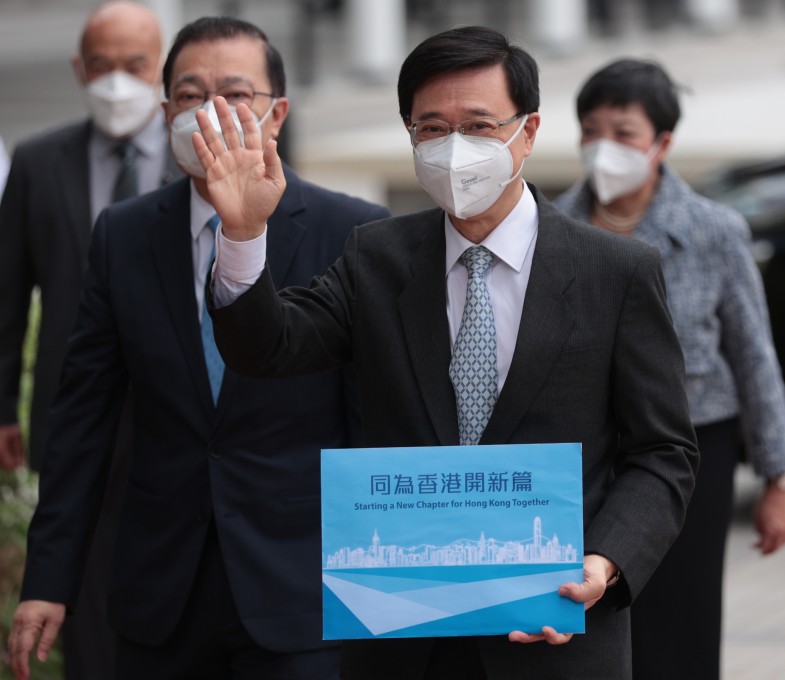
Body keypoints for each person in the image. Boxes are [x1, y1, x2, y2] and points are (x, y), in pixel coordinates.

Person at [200, 25, 699, 679]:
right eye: (431, 129)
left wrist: (604, 560)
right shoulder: (376, 257)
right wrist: (242, 234)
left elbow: (663, 452)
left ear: (528, 131)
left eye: (479, 126)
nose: (454, 148)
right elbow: (268, 347)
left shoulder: (616, 272)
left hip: (554, 634)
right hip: (405, 636)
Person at [6, 16, 388, 680]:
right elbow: (83, 420)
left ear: (277, 113)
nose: (211, 112)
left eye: (235, 94)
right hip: (162, 591)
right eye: (190, 95)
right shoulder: (123, 235)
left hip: (303, 588)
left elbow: (373, 421)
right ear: (165, 114)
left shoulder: (351, 231)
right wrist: (48, 579)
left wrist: (379, 581)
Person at [554, 58, 785, 680]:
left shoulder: (714, 231)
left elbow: (753, 355)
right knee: (582, 617)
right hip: (583, 457)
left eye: (623, 133)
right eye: (591, 131)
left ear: (661, 144)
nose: (604, 147)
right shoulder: (549, 227)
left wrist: (779, 479)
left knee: (679, 623)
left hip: (690, 455)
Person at [0, 3, 180, 677]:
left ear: (159, 68)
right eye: (101, 65)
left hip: (180, 402)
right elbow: (7, 294)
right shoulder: (37, 161)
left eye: (134, 65)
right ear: (79, 69)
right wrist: (2, 407)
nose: (117, 81)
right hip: (72, 405)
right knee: (83, 575)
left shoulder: (200, 155)